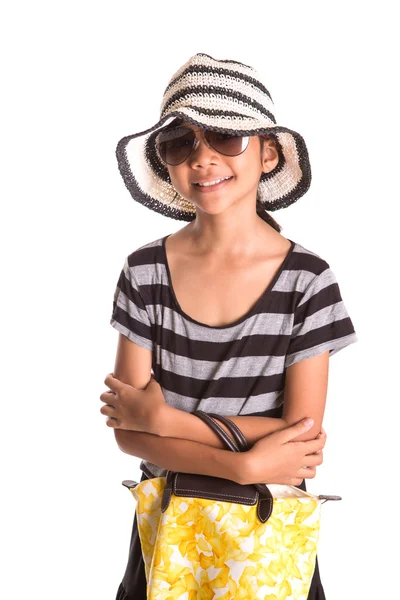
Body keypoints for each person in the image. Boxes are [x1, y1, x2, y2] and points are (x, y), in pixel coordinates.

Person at [103, 53, 358, 600]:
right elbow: (129, 431)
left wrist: (166, 420)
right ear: (166, 162)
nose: (203, 158)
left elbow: (302, 439)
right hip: (168, 527)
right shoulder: (144, 272)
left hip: (267, 534)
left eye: (225, 137)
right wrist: (242, 464)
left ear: (268, 153)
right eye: (181, 143)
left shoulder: (307, 281)